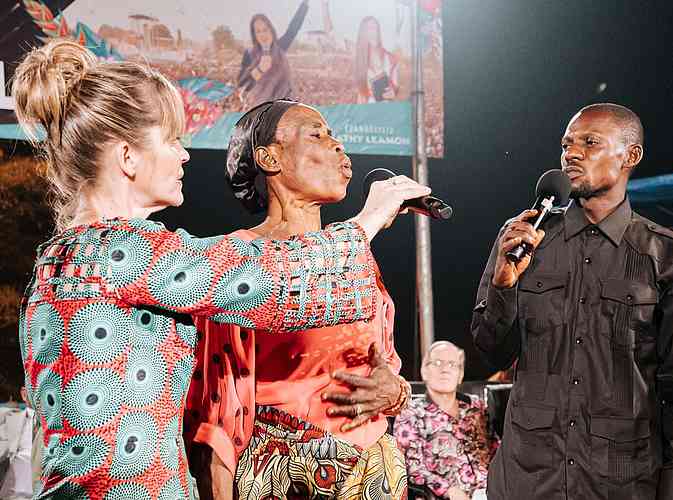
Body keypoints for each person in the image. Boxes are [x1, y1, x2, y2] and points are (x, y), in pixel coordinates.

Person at [12, 39, 430, 498]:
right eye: (171, 140)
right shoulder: (116, 251)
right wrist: (368, 220)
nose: (185, 154)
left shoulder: (63, 258)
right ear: (127, 157)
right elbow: (271, 282)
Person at [184, 99, 411, 500]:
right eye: (316, 135)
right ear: (269, 158)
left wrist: (394, 393)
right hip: (285, 477)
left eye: (334, 135)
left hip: (373, 473)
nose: (337, 144)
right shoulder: (238, 262)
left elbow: (386, 364)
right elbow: (217, 413)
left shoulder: (358, 257)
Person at [471, 103, 673, 500]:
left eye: (590, 142)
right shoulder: (523, 238)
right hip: (528, 477)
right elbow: (491, 352)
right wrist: (503, 285)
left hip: (622, 480)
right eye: (567, 144)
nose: (571, 154)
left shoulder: (661, 254)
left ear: (630, 156)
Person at [394, 341, 498, 500]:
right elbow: (410, 467)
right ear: (424, 371)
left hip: (492, 492)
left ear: (460, 374)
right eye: (437, 363)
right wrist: (449, 490)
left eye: (452, 364)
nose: (445, 369)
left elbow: (497, 450)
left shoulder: (476, 408)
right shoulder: (411, 412)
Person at [237, 0, 309, 108]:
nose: (263, 34)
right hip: (262, 108)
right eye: (258, 31)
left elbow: (294, 28)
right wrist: (260, 69)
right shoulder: (249, 54)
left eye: (265, 29)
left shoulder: (280, 47)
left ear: (271, 30)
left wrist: (305, 3)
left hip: (285, 106)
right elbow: (242, 83)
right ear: (254, 35)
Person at [354, 16, 399, 103]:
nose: (374, 32)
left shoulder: (390, 58)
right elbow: (360, 94)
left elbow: (396, 86)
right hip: (367, 108)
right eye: (370, 28)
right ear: (364, 33)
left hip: (386, 107)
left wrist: (393, 92)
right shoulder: (360, 60)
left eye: (375, 28)